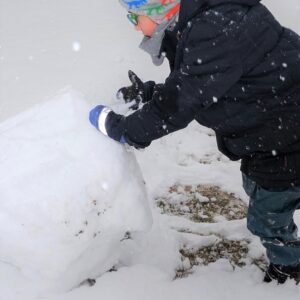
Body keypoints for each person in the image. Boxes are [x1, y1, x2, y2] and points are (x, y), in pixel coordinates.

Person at [89, 0, 300, 284]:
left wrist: (123, 129)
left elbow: (180, 103)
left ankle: (290, 266)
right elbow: (196, 85)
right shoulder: (203, 22)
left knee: (266, 216)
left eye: (133, 17)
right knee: (261, 187)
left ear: (159, 10)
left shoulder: (215, 29)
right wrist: (150, 95)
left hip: (288, 137)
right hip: (273, 134)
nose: (134, 25)